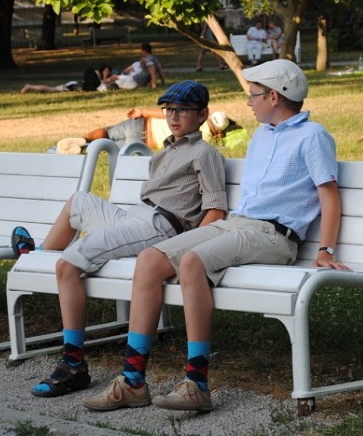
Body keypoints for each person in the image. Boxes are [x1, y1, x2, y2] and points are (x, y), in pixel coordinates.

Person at [79, 59, 347, 414]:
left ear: (273, 96)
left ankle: (197, 384)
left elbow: (329, 195)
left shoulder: (313, 137)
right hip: (238, 224)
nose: (248, 103)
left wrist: (325, 249)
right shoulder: (263, 135)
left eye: (253, 96)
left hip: (273, 235)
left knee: (191, 263)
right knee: (151, 260)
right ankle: (132, 381)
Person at [12, 80, 228, 399]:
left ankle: (73, 364)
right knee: (79, 202)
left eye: (183, 110)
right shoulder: (168, 149)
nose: (173, 116)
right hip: (136, 216)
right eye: (169, 109)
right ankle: (36, 254)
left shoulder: (205, 154)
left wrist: (189, 249)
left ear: (202, 115)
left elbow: (216, 209)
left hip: (160, 226)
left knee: (69, 264)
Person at [54, 107, 247, 154]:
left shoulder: (191, 115)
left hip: (142, 124)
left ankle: (83, 139)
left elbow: (164, 112)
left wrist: (142, 111)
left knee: (106, 131)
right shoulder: (201, 137)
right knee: (111, 147)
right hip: (144, 143)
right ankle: (87, 149)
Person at [99, 43, 165, 90]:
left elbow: (153, 74)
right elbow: (160, 72)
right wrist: (163, 83)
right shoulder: (155, 59)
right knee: (115, 79)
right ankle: (103, 84)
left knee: (114, 77)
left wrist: (154, 87)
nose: (141, 52)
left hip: (135, 81)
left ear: (144, 51)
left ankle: (101, 83)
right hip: (136, 80)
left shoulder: (148, 60)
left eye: (141, 50)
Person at [20, 67, 107, 94]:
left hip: (74, 84)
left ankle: (30, 87)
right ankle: (29, 86)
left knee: (53, 89)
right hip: (72, 85)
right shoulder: (97, 86)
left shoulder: (91, 85)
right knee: (53, 89)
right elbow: (104, 88)